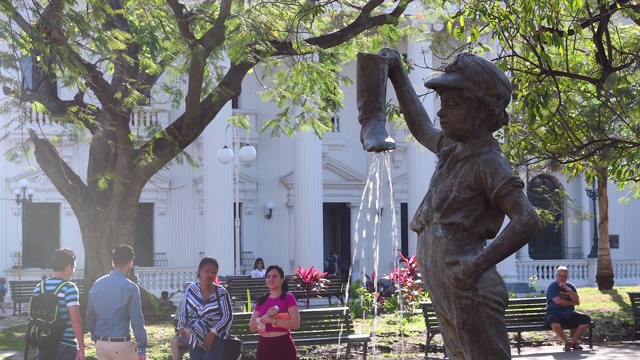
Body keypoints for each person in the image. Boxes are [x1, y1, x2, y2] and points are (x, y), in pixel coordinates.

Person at [357, 49, 541, 360]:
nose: (442, 114)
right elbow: (421, 127)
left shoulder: (488, 162)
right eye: (442, 105)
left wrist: (473, 269)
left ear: (482, 114)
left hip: (471, 289)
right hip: (449, 285)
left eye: (452, 106)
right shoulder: (454, 150)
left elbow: (527, 220)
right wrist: (397, 74)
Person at [86, 245, 147, 360]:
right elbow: (137, 320)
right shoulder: (131, 288)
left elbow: (90, 315)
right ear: (130, 264)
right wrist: (141, 348)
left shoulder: (97, 284)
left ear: (113, 263)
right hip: (120, 343)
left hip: (101, 344)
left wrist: (95, 337)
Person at [32, 248, 85, 360]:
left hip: (44, 342)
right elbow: (75, 319)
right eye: (74, 267)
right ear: (69, 266)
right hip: (65, 345)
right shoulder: (69, 288)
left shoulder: (39, 287)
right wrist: (81, 346)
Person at [179, 257, 233, 360]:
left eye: (214, 272)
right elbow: (183, 312)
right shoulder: (190, 290)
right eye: (207, 271)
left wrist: (213, 332)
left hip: (216, 337)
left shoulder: (221, 292)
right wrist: (182, 327)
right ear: (200, 271)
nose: (210, 274)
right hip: (195, 336)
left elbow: (228, 316)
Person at [250, 265, 300, 360]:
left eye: (274, 276)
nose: (271, 279)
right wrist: (266, 316)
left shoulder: (288, 298)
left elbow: (295, 323)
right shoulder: (261, 300)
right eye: (268, 276)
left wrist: (272, 320)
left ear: (282, 279)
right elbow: (252, 327)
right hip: (264, 346)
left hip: (283, 345)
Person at [546, 266, 592, 351]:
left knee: (586, 319)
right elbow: (559, 302)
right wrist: (572, 303)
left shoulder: (570, 287)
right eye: (559, 275)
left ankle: (572, 342)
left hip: (569, 314)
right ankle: (566, 342)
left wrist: (567, 289)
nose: (561, 278)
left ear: (566, 277)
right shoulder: (552, 287)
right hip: (555, 313)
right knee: (553, 321)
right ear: (556, 276)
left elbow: (576, 299)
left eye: (563, 276)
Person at [171, 282, 192, 360]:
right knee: (174, 341)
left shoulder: (199, 302)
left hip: (197, 334)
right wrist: (180, 329)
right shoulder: (182, 303)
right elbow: (177, 320)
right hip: (185, 333)